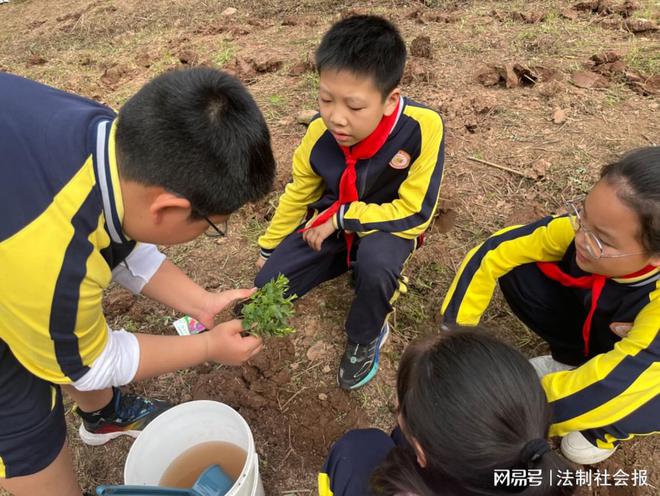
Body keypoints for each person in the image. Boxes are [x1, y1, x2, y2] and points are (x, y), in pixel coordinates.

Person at [0, 67, 276, 495]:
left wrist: (202, 304)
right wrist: (207, 346)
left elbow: (120, 236)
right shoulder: (50, 260)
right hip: (19, 256)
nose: (209, 233)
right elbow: (92, 364)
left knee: (62, 333)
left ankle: (104, 417)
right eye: (211, 225)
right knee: (25, 424)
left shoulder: (105, 136)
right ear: (167, 208)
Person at [254, 15, 445, 390]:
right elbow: (299, 193)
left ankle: (366, 335)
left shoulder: (423, 128)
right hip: (332, 221)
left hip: (388, 225)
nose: (336, 117)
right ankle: (344, 262)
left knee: (376, 264)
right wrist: (268, 246)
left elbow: (416, 213)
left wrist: (342, 218)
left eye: (354, 107)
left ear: (389, 101)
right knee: (268, 281)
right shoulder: (318, 133)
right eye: (326, 99)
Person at [441, 147, 660, 465]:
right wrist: (453, 335)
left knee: (590, 434)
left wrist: (494, 410)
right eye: (582, 215)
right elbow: (495, 252)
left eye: (603, 240)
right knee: (520, 269)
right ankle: (573, 361)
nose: (583, 238)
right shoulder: (582, 233)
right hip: (611, 332)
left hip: (647, 378)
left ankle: (606, 430)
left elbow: (611, 391)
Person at [319, 330, 574, 496]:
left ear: (421, 452)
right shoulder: (543, 478)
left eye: (399, 405)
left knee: (359, 448)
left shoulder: (361, 457)